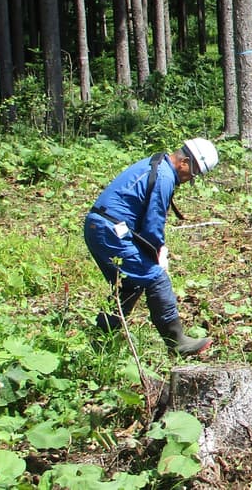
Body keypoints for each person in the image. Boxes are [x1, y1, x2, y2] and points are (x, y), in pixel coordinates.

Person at [85, 138, 220, 356]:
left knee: (129, 285)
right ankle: (177, 342)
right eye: (192, 175)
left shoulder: (157, 165)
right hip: (110, 231)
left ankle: (101, 342)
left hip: (101, 227)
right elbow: (153, 222)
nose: (189, 180)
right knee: (155, 277)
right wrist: (158, 252)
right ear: (184, 162)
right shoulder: (165, 177)